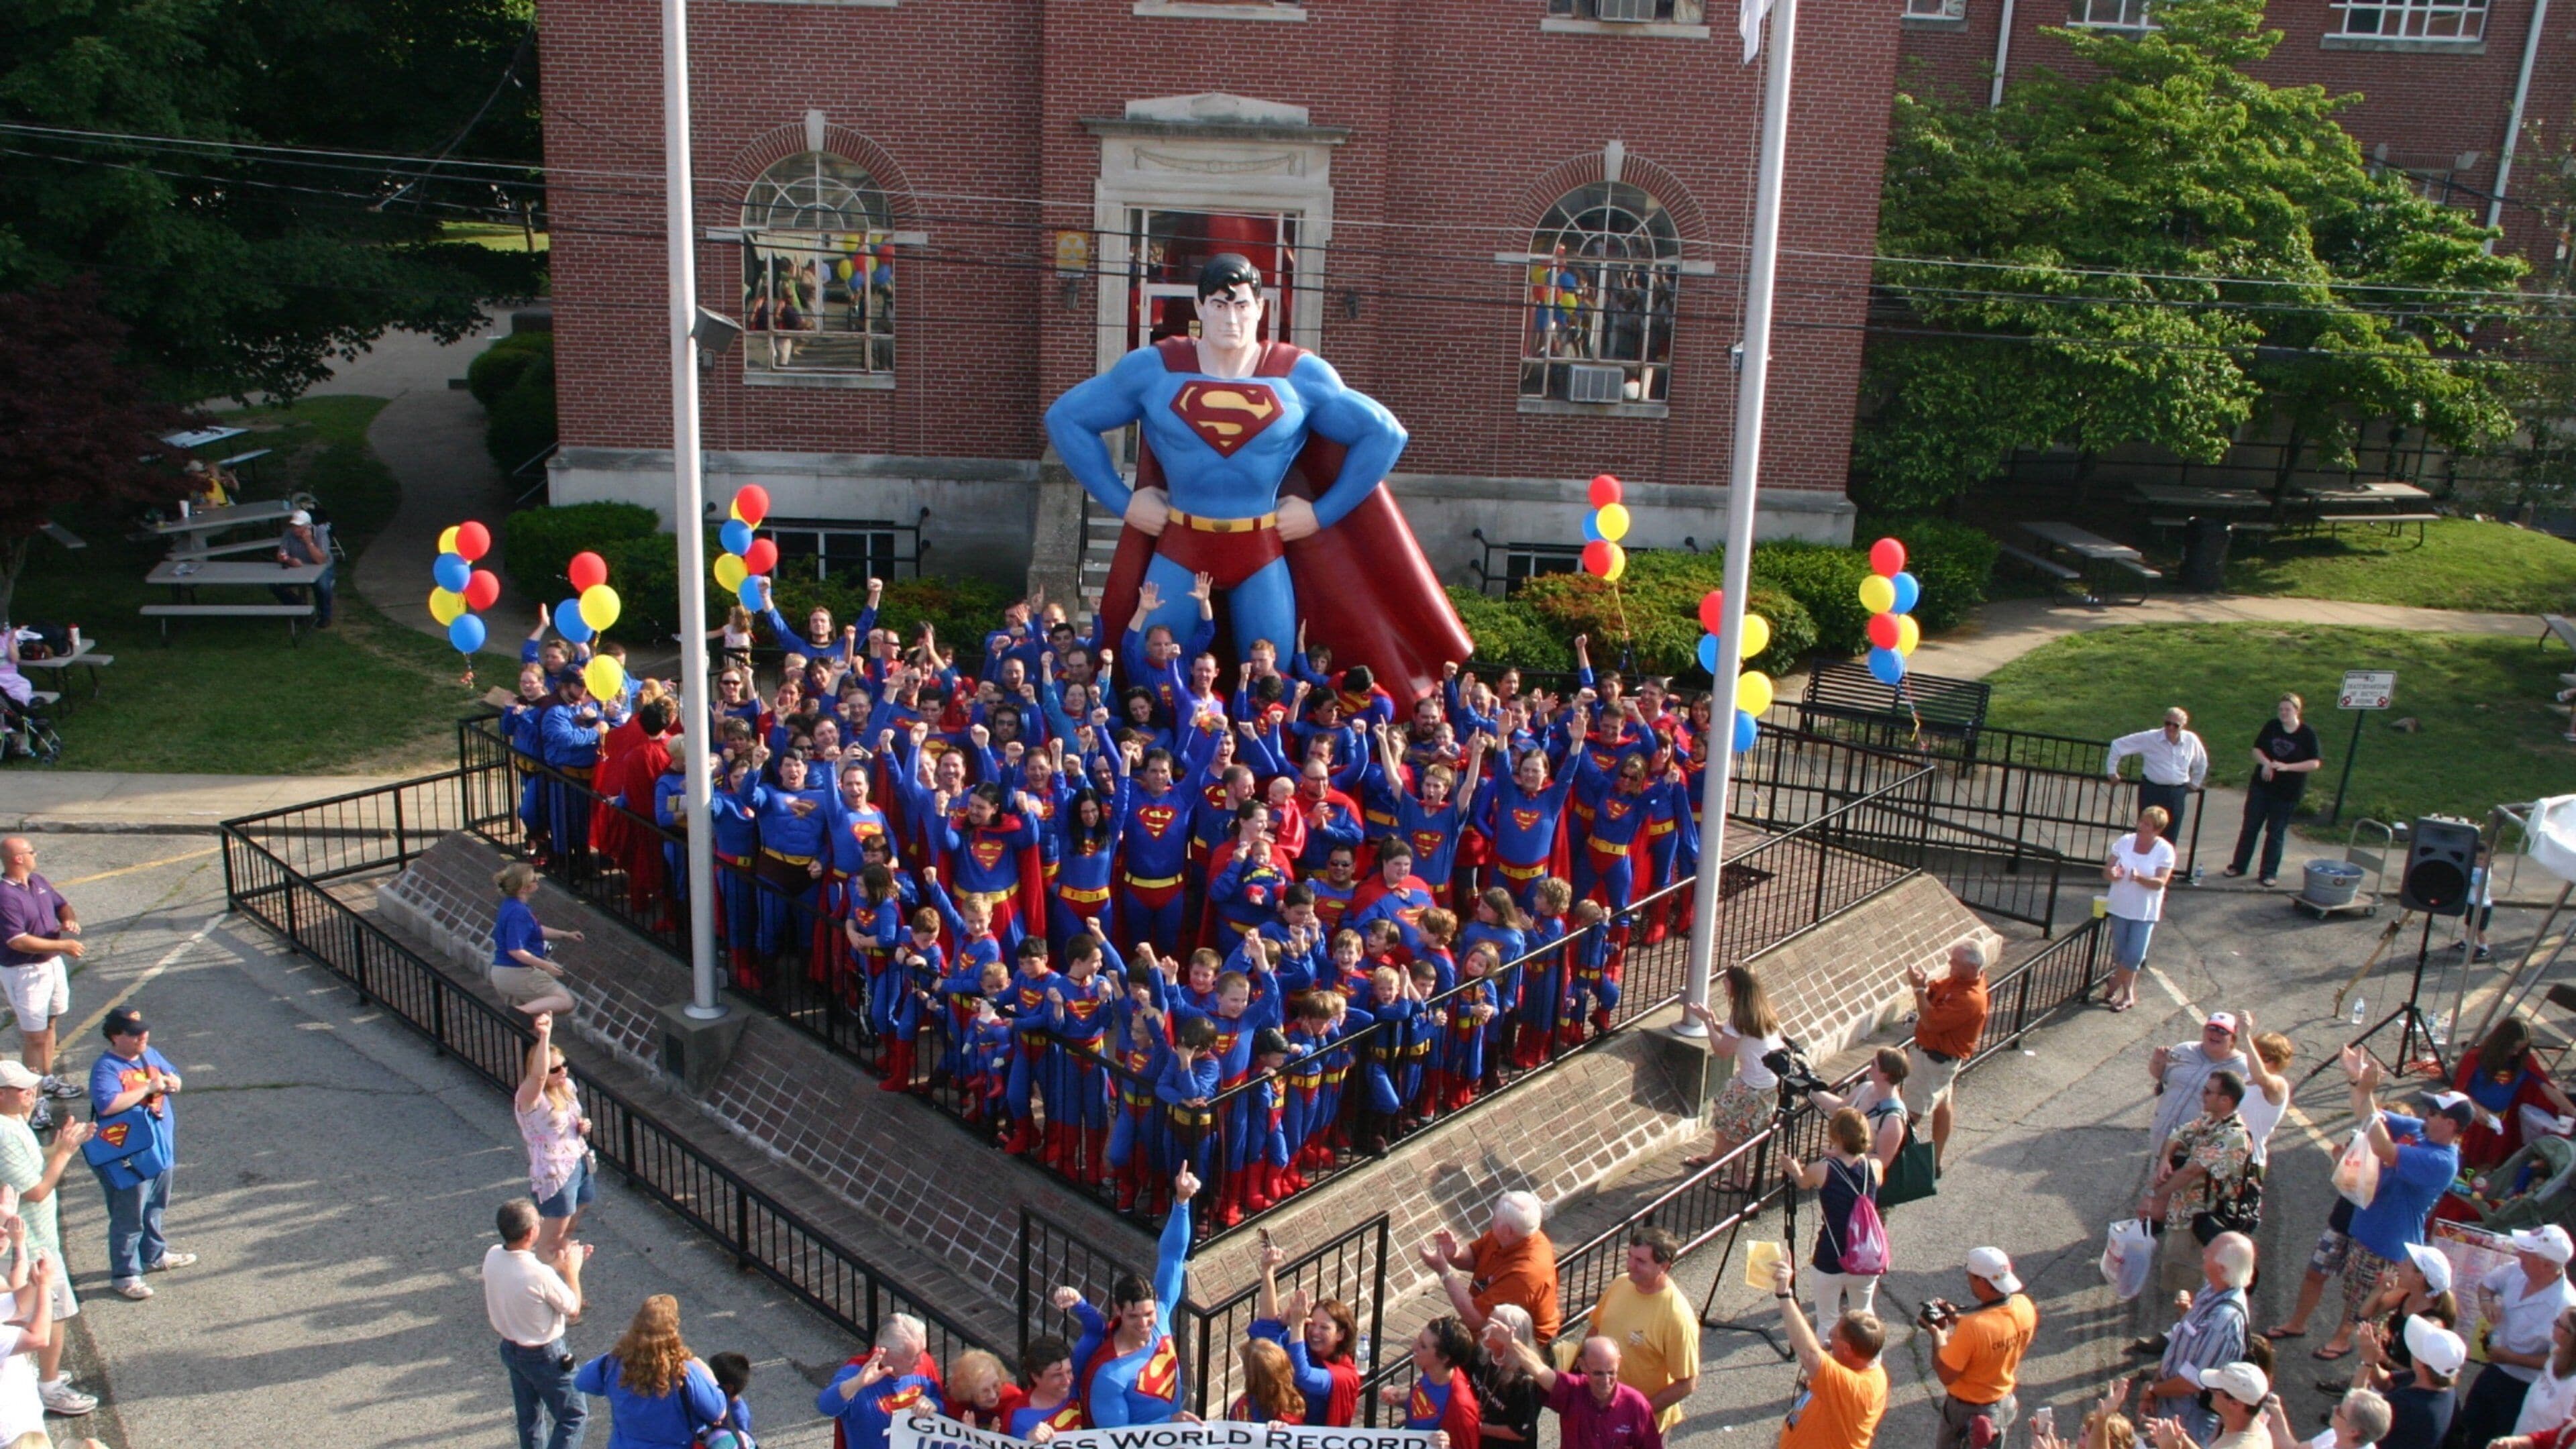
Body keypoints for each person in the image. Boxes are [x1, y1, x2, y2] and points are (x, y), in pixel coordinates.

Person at [0, 1061, 93, 1417]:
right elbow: (37, 1190)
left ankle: (41, 1372)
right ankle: (50, 1386)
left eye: (32, 1086)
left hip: (37, 1238)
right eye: (22, 1088)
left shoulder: (14, 1123)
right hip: (30, 1242)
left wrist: (62, 1145)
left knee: (45, 1311)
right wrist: (66, 1154)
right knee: (52, 1311)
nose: (31, 1093)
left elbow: (34, 1164)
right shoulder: (4, 1134)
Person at [87, 1008, 192, 1301]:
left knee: (156, 1206)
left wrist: (173, 1083)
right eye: (134, 1033)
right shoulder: (106, 1068)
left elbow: (175, 1077)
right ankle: (125, 1274)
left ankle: (155, 1256)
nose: (143, 1037)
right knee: (128, 1216)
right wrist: (148, 1087)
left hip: (159, 1149)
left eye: (143, 1031)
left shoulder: (150, 1054)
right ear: (116, 1036)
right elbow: (107, 1105)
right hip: (130, 1155)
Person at [2453, 1224, 2576, 1448]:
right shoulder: (2517, 1270)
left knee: (2496, 1438)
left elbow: (2559, 1358)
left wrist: (2511, 1358)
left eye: (2527, 1252)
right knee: (2466, 1428)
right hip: (2494, 1371)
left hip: (2522, 1386)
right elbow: (2487, 1285)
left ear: (2546, 1264)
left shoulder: (2565, 1305)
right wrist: (2487, 1302)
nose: (2519, 1254)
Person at [483, 1198, 592, 1449]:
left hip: (511, 1348)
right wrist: (572, 1272)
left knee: (530, 1418)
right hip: (545, 1354)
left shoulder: (494, 1256)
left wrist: (560, 1265)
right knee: (574, 1415)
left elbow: (531, 1282)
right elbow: (572, 1307)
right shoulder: (538, 1274)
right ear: (531, 1232)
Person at [2141, 1070, 2254, 1297]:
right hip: (2183, 1212)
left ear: (2226, 1100)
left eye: (2208, 1091)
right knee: (2176, 1270)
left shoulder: (2232, 1136)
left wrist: (2155, 1195)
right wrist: (2165, 1159)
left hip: (2200, 1218)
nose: (2202, 1094)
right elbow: (2177, 1136)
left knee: (2188, 1278)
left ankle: (2188, 1322)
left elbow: (2191, 1171)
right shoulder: (2210, 1120)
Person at [0, 839, 88, 1131]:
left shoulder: (37, 881)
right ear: (17, 859)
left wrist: (68, 921)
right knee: (34, 1037)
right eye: (30, 852)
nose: (35, 855)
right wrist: (62, 945)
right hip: (25, 973)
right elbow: (17, 940)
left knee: (51, 1023)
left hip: (51, 965)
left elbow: (62, 905)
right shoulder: (4, 896)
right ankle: (33, 1099)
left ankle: (46, 1078)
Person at [2139, 1232, 2255, 1444]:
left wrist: (2152, 1389)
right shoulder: (2213, 1289)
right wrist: (2156, 1384)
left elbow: (2191, 1383)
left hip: (2190, 1419)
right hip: (2173, 1403)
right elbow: (2181, 1344)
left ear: (2222, 1269)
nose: (2204, 1251)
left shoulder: (2223, 1322)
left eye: (2210, 1250)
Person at [1766, 1255, 1887, 1449]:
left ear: (1848, 1349)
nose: (1830, 1333)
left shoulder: (1855, 1389)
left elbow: (1809, 1354)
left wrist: (1785, 1296)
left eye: (1836, 1334)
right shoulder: (1862, 1368)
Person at [1587, 1226, 1701, 1432]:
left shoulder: (1677, 1316)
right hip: (1596, 1410)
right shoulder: (1621, 1284)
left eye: (1641, 1261)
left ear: (1664, 1266)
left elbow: (1686, 1384)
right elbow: (1596, 1328)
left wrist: (1636, 1413)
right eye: (1630, 1256)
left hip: (1637, 1426)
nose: (1630, 1265)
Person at [575, 1295, 725, 1449]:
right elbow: (718, 1413)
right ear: (674, 1329)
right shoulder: (685, 1373)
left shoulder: (612, 1364)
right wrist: (705, 1370)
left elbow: (581, 1382)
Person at [1680, 966, 1786, 1179]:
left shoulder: (1740, 1015)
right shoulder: (1760, 1010)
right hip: (1767, 1082)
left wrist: (1708, 1024)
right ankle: (1716, 1158)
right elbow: (1734, 1033)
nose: (1724, 984)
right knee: (1728, 1119)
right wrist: (1714, 1021)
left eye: (1727, 980)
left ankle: (1740, 1180)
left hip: (1751, 1085)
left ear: (1735, 985)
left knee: (1735, 1128)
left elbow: (1723, 1051)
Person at [1925, 1246, 2036, 1449]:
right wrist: (1958, 1318)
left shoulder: (1973, 1327)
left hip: (1967, 1413)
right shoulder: (2024, 1306)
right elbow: (1995, 1329)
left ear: (1982, 1281)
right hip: (2001, 1405)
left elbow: (1945, 1374)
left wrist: (1938, 1335)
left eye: (1971, 1277)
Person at [1481, 1326, 1663, 1449]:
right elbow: (1540, 1370)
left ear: (1619, 1363)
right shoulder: (1573, 1391)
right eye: (1598, 1373)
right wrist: (1513, 1344)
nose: (1606, 1380)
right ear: (1582, 1366)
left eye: (1612, 1372)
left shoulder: (1636, 1405)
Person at [1420, 1189, 1561, 1344]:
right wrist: (1455, 1255)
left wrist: (1444, 1273)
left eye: (1495, 1218)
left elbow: (1477, 1319)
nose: (1491, 1220)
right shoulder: (1508, 1236)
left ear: (1507, 1231)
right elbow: (1475, 1257)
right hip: (1491, 1334)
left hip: (1520, 1347)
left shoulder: (1526, 1273)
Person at [1784, 1108, 1883, 1326]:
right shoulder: (1875, 1167)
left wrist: (1793, 1169)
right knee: (1864, 1317)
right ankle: (1871, 1358)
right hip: (1866, 1254)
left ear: (1835, 1136)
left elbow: (1803, 1182)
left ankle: (1826, 1359)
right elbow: (1861, 1171)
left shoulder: (1821, 1169)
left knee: (1828, 1319)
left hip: (1832, 1253)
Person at [1904, 938, 1989, 1170]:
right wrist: (1926, 988)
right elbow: (1937, 991)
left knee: (1909, 1114)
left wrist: (1918, 989)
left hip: (1933, 1060)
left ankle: (1900, 1172)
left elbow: (1931, 1022)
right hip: (1943, 1061)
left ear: (1972, 967)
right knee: (1943, 1104)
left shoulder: (1970, 999)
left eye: (1955, 961)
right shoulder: (1961, 981)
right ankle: (1935, 1162)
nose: (1950, 963)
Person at [515, 1014, 594, 1260]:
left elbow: (570, 1120)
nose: (563, 1072)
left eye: (564, 1065)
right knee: (550, 1238)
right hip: (555, 1172)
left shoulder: (567, 1087)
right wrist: (545, 1035)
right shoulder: (531, 1099)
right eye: (555, 1069)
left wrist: (583, 1125)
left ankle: (566, 1272)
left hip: (578, 1160)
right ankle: (545, 1282)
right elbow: (538, 1078)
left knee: (571, 1223)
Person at [2224, 693, 2321, 887]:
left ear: (2297, 711)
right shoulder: (2272, 727)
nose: (2284, 713)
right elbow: (2256, 750)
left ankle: (2268, 873)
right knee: (2250, 827)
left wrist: (2287, 767)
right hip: (2262, 787)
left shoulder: (2307, 734)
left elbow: (2314, 763)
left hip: (2287, 792)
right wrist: (2267, 763)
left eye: (2288, 709)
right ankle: (2238, 865)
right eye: (2281, 709)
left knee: (2275, 831)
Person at [818, 1314, 940, 1449]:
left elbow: (943, 1404)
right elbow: (826, 1406)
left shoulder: (924, 1365)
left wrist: (934, 1405)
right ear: (885, 1353)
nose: (921, 1361)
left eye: (921, 1353)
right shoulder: (857, 1373)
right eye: (913, 1357)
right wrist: (857, 1383)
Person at [2103, 806, 2177, 1014]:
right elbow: (2107, 871)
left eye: (2147, 825)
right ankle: (2128, 995)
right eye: (2141, 822)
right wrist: (2113, 873)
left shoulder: (2165, 850)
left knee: (2135, 955)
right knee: (2121, 953)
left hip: (2144, 911)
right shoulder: (2125, 842)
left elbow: (2160, 882)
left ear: (2157, 830)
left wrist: (2140, 879)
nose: (2141, 827)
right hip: (2120, 905)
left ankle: (2113, 984)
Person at [2350, 1313, 2462, 1448]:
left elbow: (2353, 1414)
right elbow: (2386, 1383)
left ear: (2421, 1364)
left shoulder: (2406, 1405)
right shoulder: (2442, 1384)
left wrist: (2367, 1362)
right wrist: (2374, 1361)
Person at [2147, 1012, 2248, 1159]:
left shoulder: (2242, 1068)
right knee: (2157, 1179)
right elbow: (2161, 1076)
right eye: (2211, 1028)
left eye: (2222, 1031)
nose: (2215, 1034)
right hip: (2162, 1136)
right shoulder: (2185, 1050)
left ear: (2233, 1038)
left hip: (2198, 1147)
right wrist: (2157, 1061)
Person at [2104, 708, 2209, 841]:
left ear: (2183, 726)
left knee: (2171, 835)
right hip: (2152, 791)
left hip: (2177, 793)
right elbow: (2118, 745)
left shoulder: (2191, 740)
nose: (2170, 728)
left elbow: (2201, 762)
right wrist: (2112, 772)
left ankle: (2164, 862)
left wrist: (2195, 784)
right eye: (2167, 723)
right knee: (2147, 832)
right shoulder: (2150, 738)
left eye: (2175, 725)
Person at [492, 863, 581, 1018]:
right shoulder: (518, 912)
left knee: (531, 1025)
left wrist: (565, 934)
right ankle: (520, 1012)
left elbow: (536, 930)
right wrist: (546, 966)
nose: (537, 880)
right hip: (517, 972)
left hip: (504, 972)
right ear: (523, 888)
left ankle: (522, 1017)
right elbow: (515, 950)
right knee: (565, 1001)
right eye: (533, 879)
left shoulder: (512, 906)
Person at [1472, 1303, 1547, 1449]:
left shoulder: (1526, 1381)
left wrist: (1479, 1427)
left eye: (1493, 1328)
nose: (1484, 1331)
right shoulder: (1482, 1353)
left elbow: (1519, 1431)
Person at [2146, 1360, 2267, 1449]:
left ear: (2235, 1404)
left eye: (2216, 1390)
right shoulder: (2253, 1426)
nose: (2209, 1390)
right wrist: (2182, 1440)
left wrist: (2170, 1448)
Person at [272, 508, 335, 627]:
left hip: (320, 568)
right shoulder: (288, 534)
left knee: (322, 586)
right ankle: (298, 608)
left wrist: (309, 543)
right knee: (275, 584)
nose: (295, 529)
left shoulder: (320, 533)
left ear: (308, 527)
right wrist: (290, 560)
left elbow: (321, 560)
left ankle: (325, 616)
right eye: (294, 526)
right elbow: (281, 555)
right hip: (298, 569)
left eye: (299, 526)